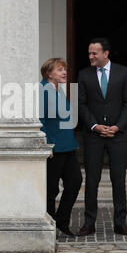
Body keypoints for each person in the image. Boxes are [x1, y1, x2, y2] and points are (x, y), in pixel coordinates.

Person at [77, 38, 127, 236]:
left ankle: (120, 223)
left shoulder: (123, 72)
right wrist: (94, 126)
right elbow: (81, 104)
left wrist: (117, 126)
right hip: (93, 136)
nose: (90, 56)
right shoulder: (84, 74)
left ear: (106, 53)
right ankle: (89, 223)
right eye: (89, 53)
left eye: (94, 53)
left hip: (118, 136)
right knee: (92, 180)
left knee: (118, 180)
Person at [40, 58, 82, 237]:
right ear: (49, 73)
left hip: (67, 146)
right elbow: (39, 120)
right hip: (53, 148)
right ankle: (50, 226)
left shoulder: (58, 90)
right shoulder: (43, 91)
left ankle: (61, 221)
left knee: (74, 182)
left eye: (64, 69)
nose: (64, 72)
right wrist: (46, 144)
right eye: (59, 69)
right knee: (50, 189)